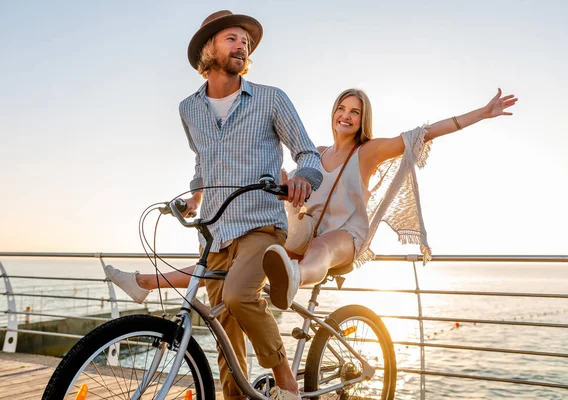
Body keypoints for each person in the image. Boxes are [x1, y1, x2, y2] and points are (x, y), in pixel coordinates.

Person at [106, 10, 322, 400]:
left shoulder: (271, 99)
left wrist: (305, 178)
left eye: (245, 41)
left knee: (240, 297)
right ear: (209, 49)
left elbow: (307, 151)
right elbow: (204, 160)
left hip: (261, 223)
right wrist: (194, 197)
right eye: (232, 39)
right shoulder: (188, 109)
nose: (242, 45)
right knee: (225, 332)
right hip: (215, 231)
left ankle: (286, 381)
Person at [262, 87, 517, 310]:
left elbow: (425, 133)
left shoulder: (369, 152)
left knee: (321, 248)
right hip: (307, 231)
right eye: (342, 108)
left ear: (363, 120)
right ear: (333, 113)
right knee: (266, 244)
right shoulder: (316, 153)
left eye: (355, 112)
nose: (346, 116)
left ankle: (294, 277)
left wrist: (482, 113)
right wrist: (287, 188)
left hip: (345, 235)